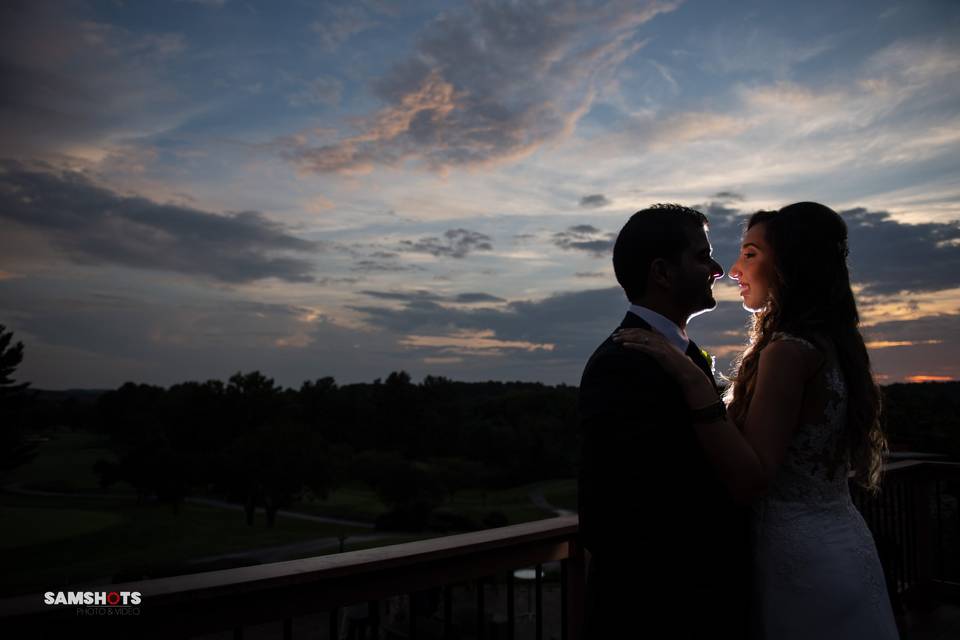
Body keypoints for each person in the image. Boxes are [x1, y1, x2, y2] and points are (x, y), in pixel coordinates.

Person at [614, 202, 899, 639]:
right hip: (843, 544)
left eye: (749, 253)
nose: (731, 269)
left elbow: (752, 479)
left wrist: (693, 381)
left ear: (788, 263)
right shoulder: (832, 343)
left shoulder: (787, 352)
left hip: (799, 563)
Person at [577, 204, 750, 638]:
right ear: (662, 273)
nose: (715, 269)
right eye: (701, 256)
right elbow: (619, 513)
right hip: (659, 611)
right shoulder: (622, 363)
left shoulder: (683, 356)